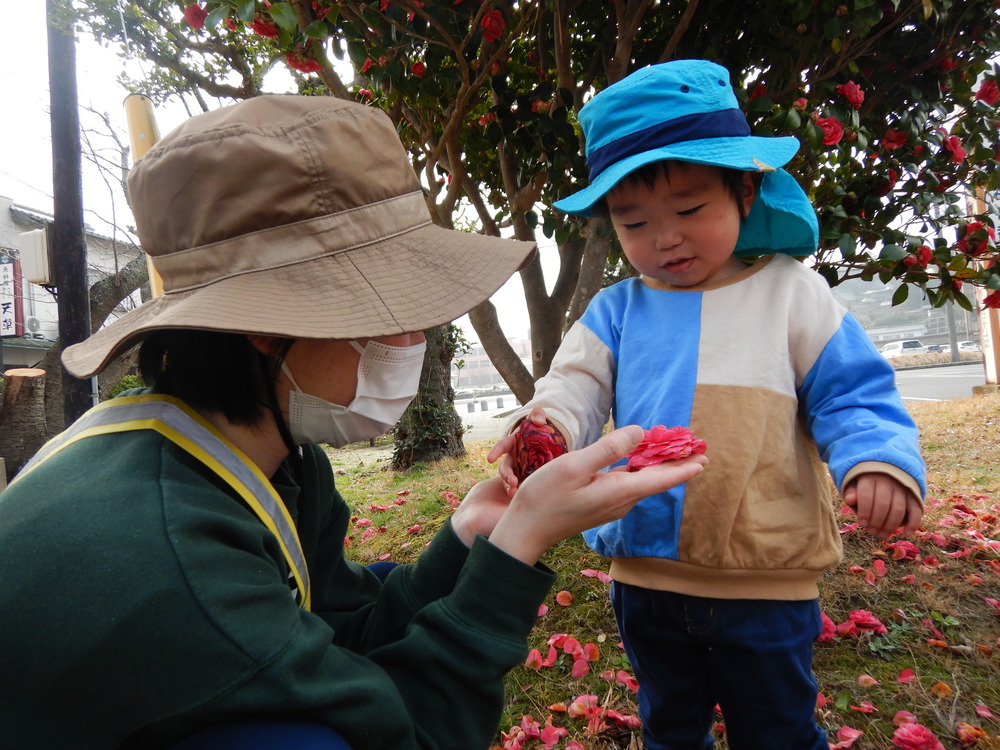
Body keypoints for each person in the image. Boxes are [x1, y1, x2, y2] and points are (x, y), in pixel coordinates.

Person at [0, 95, 708, 750]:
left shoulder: (265, 460)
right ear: (263, 329)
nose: (413, 340)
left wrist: (473, 536)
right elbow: (408, 731)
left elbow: (344, 631)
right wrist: (521, 547)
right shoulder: (172, 556)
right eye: (383, 314)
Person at [489, 60, 926, 750]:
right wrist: (544, 430)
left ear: (746, 191)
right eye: (633, 223)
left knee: (777, 731)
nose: (665, 238)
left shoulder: (792, 293)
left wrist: (877, 459)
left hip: (766, 578)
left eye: (690, 210)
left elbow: (854, 393)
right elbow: (572, 384)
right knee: (668, 725)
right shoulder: (616, 308)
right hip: (645, 581)